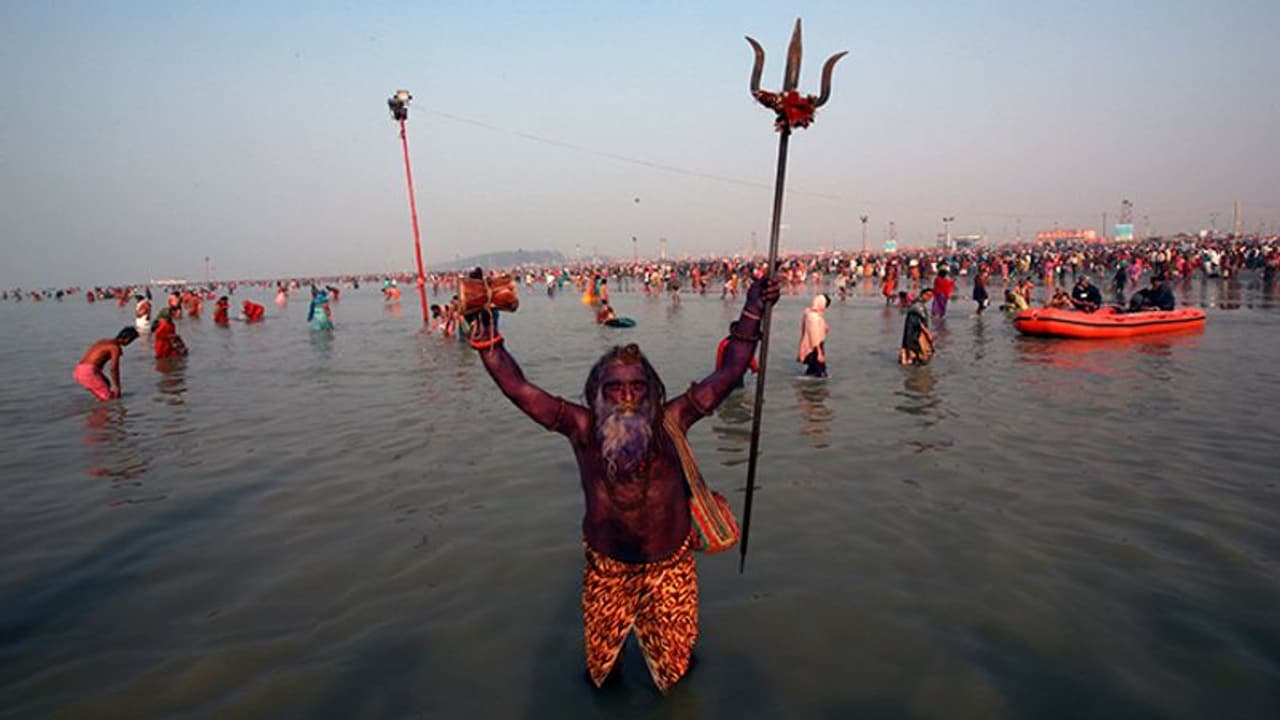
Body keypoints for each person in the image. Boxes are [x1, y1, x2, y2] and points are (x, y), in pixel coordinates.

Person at [468, 273, 779, 692]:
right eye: (615, 388)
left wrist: (753, 308)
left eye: (636, 386)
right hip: (607, 571)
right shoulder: (582, 428)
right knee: (601, 675)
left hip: (671, 569)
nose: (627, 396)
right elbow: (520, 390)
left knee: (676, 674)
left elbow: (731, 370)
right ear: (598, 393)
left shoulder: (672, 420)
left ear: (651, 390)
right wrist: (490, 347)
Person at [74, 327, 138, 400]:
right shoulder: (115, 347)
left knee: (106, 385)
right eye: (132, 341)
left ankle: (98, 410)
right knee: (109, 400)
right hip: (87, 372)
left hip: (79, 370)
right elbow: (114, 368)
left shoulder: (104, 341)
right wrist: (117, 387)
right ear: (128, 339)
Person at [715, 321, 760, 389]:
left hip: (726, 375)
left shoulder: (724, 343)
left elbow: (719, 361)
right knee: (738, 391)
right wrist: (755, 368)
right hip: (735, 374)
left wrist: (718, 374)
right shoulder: (741, 345)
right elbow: (748, 358)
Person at [797, 293, 830, 378]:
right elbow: (815, 336)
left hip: (809, 346)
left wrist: (824, 325)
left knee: (811, 371)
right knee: (822, 374)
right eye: (825, 305)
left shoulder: (809, 312)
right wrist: (819, 353)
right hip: (815, 347)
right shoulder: (814, 317)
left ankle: (807, 390)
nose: (825, 308)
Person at [900, 288, 934, 366]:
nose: (929, 298)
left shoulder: (917, 304)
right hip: (914, 333)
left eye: (931, 296)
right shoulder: (918, 306)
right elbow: (918, 322)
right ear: (922, 294)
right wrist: (927, 332)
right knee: (918, 355)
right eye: (927, 295)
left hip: (913, 332)